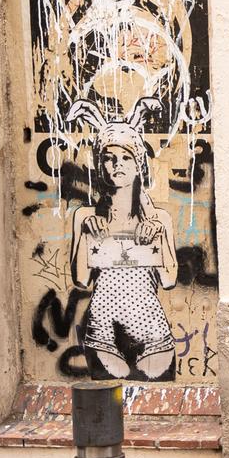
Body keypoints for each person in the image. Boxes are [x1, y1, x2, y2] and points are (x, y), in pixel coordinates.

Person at [69, 99, 180, 381]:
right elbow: (81, 279)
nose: (117, 164)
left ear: (138, 163)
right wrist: (86, 234)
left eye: (126, 157)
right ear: (99, 163)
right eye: (108, 157)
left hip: (152, 331)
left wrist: (159, 236)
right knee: (108, 406)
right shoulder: (85, 216)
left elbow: (168, 280)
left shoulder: (159, 218)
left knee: (157, 402)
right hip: (104, 332)